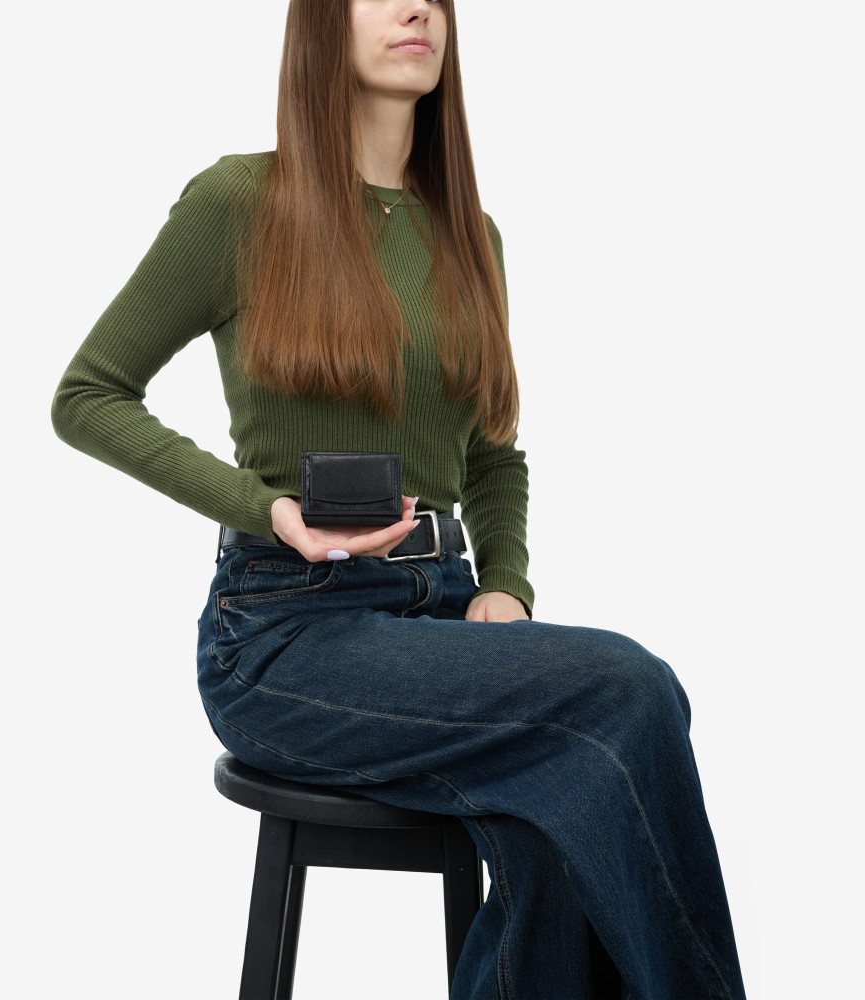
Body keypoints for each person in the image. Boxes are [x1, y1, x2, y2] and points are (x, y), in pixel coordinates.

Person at [51, 1, 748, 997]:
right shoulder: (240, 202)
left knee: (580, 785)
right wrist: (264, 507)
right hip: (286, 632)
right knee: (628, 689)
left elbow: (492, 456)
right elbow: (88, 396)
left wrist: (504, 586)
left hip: (444, 613)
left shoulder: (471, 237)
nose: (417, 6)